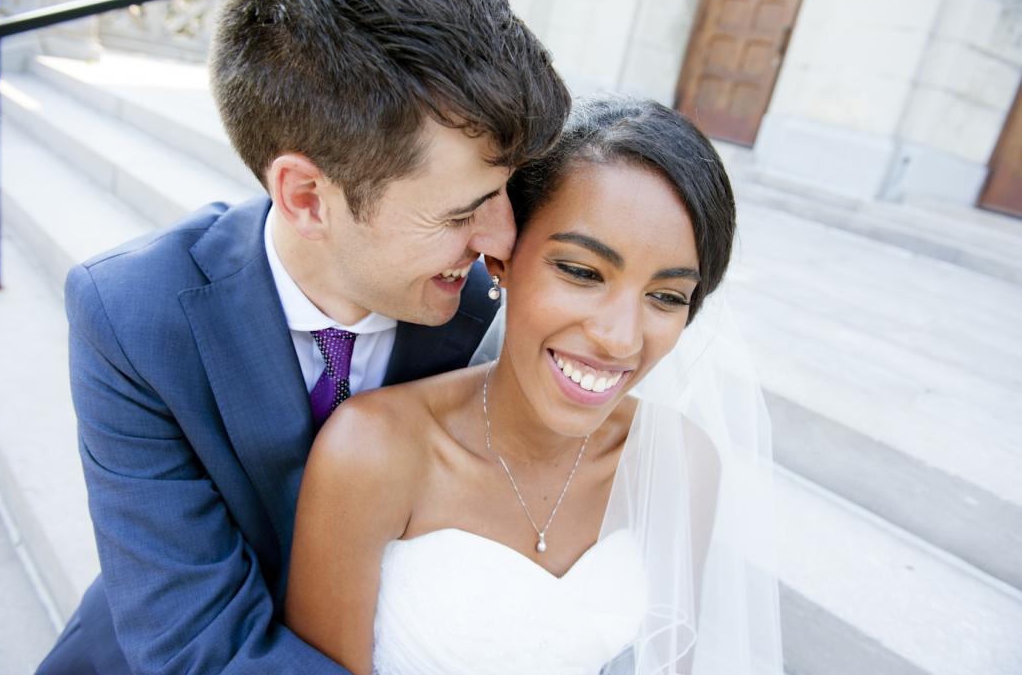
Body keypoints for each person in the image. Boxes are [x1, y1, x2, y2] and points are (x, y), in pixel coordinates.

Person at [36, 0, 569, 673]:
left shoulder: (496, 315)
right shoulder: (133, 316)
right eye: (462, 211)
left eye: (509, 190)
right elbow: (198, 645)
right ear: (307, 198)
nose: (503, 239)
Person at [286, 96, 784, 674]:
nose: (620, 339)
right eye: (581, 272)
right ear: (503, 258)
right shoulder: (373, 451)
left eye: (666, 297)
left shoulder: (680, 461)